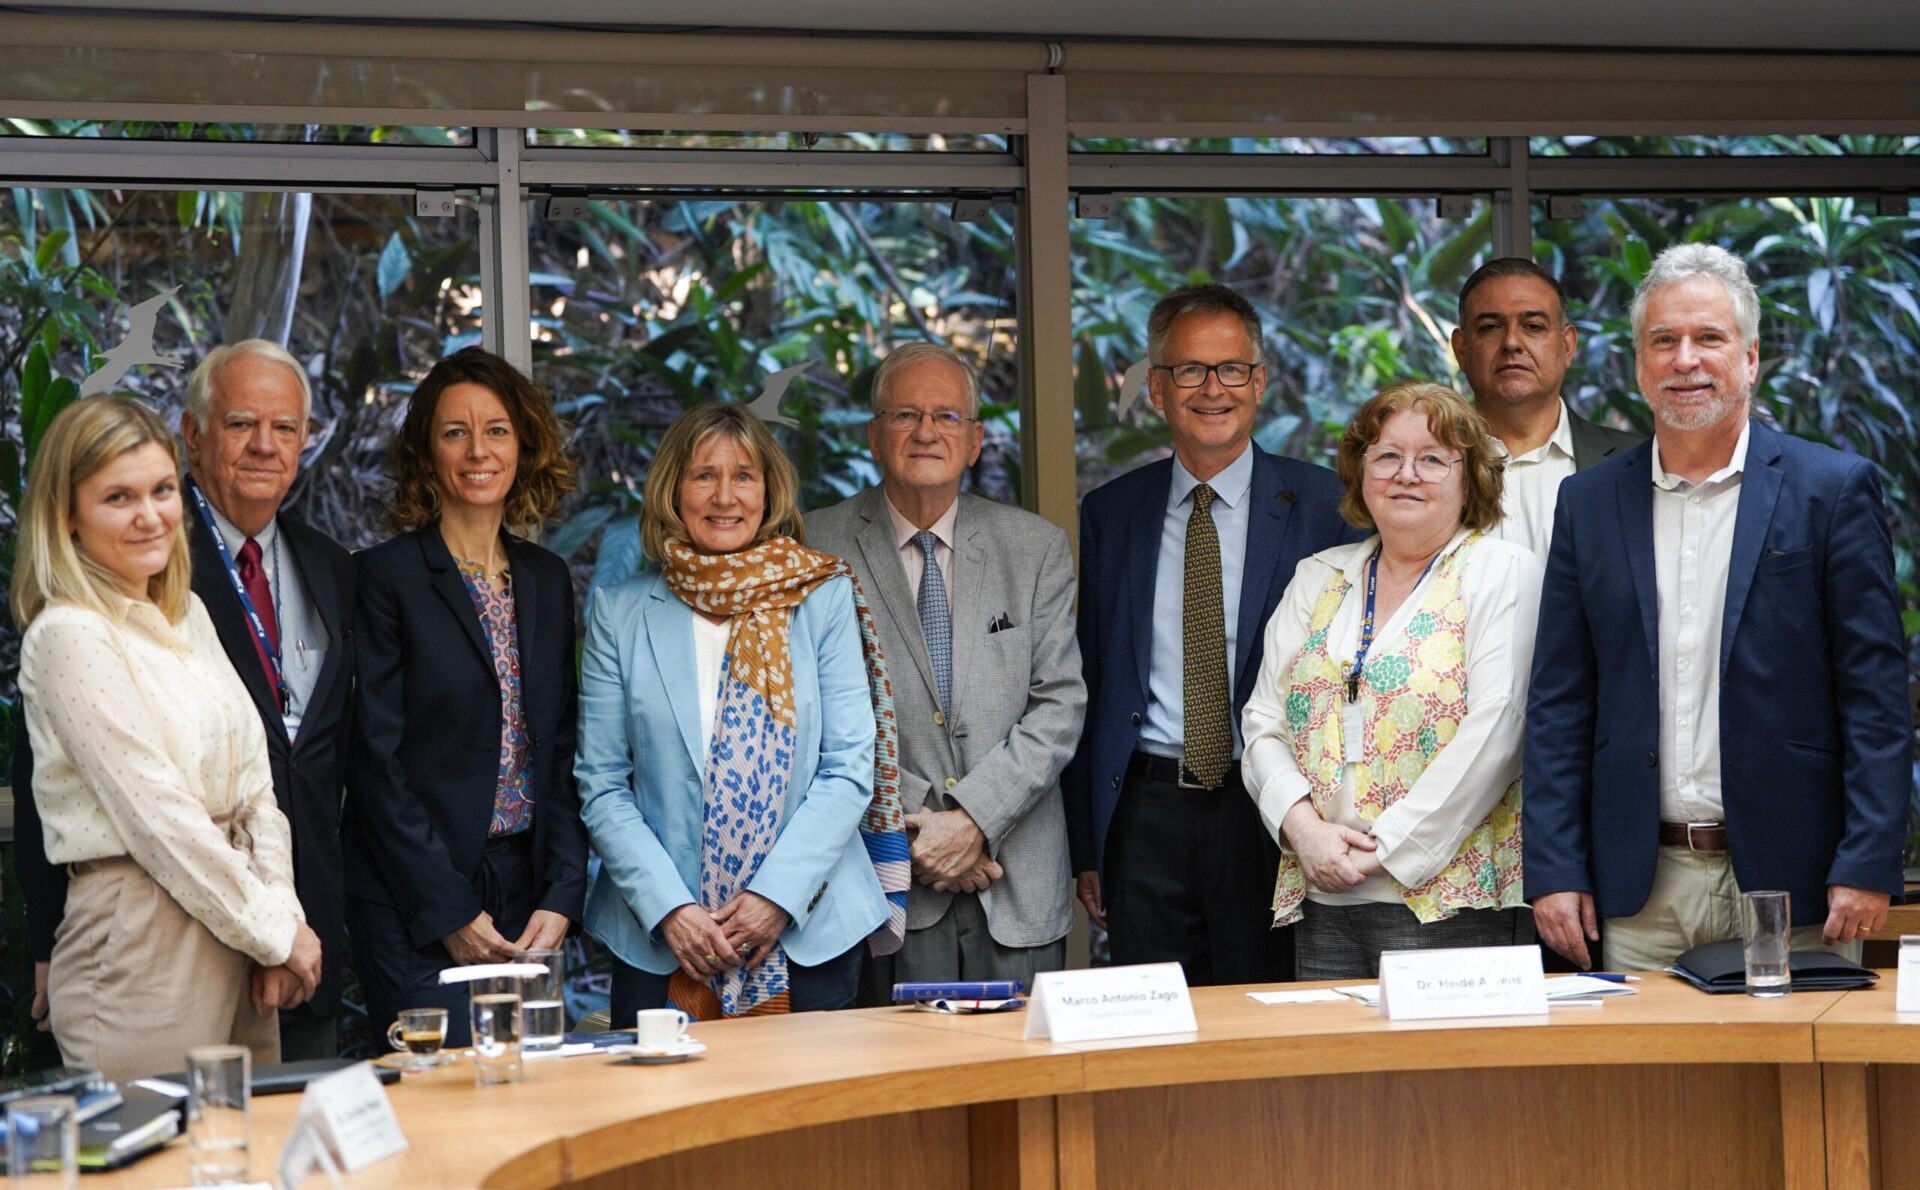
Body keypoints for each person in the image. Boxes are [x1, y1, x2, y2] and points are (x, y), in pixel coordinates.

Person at [1525, 243, 1908, 972]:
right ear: (1639, 363)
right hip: (1640, 886)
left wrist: (1868, 857)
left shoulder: (1830, 491)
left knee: (1793, 1088)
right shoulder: (1588, 503)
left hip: (1792, 882)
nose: (1684, 360)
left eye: (1709, 338)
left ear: (1751, 357)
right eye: (1663, 340)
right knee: (1643, 1089)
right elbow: (1559, 702)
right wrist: (1555, 867)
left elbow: (1875, 698)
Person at [15, 340, 355, 1059]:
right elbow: (158, 817)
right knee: (158, 1167)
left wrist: (277, 924)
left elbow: (254, 786)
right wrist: (273, 928)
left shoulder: (186, 616)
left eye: (161, 492)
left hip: (243, 936)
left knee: (244, 1164)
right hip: (140, 939)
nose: (150, 517)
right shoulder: (69, 635)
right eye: (119, 497)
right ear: (66, 514)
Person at [1063, 283, 1355, 986]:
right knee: (1150, 1018)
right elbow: (1091, 681)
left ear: (1259, 384)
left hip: (1271, 808)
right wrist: (1088, 845)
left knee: (1267, 1011)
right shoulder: (1111, 513)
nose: (1211, 389)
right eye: (1189, 370)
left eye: (1231, 370)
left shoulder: (1326, 507)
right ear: (1158, 389)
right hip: (1145, 811)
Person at [577, 402, 902, 1022]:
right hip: (660, 942)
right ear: (673, 490)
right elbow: (601, 784)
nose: (724, 496)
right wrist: (670, 909)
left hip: (810, 933)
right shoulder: (619, 612)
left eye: (744, 476)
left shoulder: (823, 596)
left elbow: (849, 768)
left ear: (768, 491)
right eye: (703, 475)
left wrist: (774, 897)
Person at [809, 343, 1085, 995]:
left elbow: (1060, 705)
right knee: (901, 1091)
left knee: (1024, 1090)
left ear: (977, 440)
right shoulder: (815, 545)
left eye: (947, 416)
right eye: (905, 415)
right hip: (881, 877)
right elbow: (810, 711)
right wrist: (918, 825)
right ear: (875, 436)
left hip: (1014, 878)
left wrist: (972, 819)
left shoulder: (1036, 547)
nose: (927, 432)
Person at [1241, 382, 1541, 979]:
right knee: (1333, 1073)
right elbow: (1262, 722)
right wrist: (1304, 832)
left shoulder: (1501, 571)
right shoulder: (1318, 577)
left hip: (1448, 903)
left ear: (1471, 477)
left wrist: (1386, 850)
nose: (1407, 474)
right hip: (1322, 898)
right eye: (1386, 456)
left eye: (1432, 458)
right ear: (1360, 473)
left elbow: (1499, 729)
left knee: (1445, 1076)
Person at [344, 347, 587, 1044]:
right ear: (428, 451)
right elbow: (375, 762)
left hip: (526, 891)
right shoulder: (385, 578)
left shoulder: (544, 577)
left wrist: (564, 894)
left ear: (525, 445)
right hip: (415, 896)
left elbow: (562, 746)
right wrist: (448, 910)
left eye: (497, 430)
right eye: (455, 432)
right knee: (443, 1093)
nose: (478, 450)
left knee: (528, 1090)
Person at [1451, 257, 1643, 562]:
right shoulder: (1421, 470)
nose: (1512, 342)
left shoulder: (1638, 466)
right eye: (1490, 327)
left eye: (1533, 327)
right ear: (1461, 349)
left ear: (1567, 346)